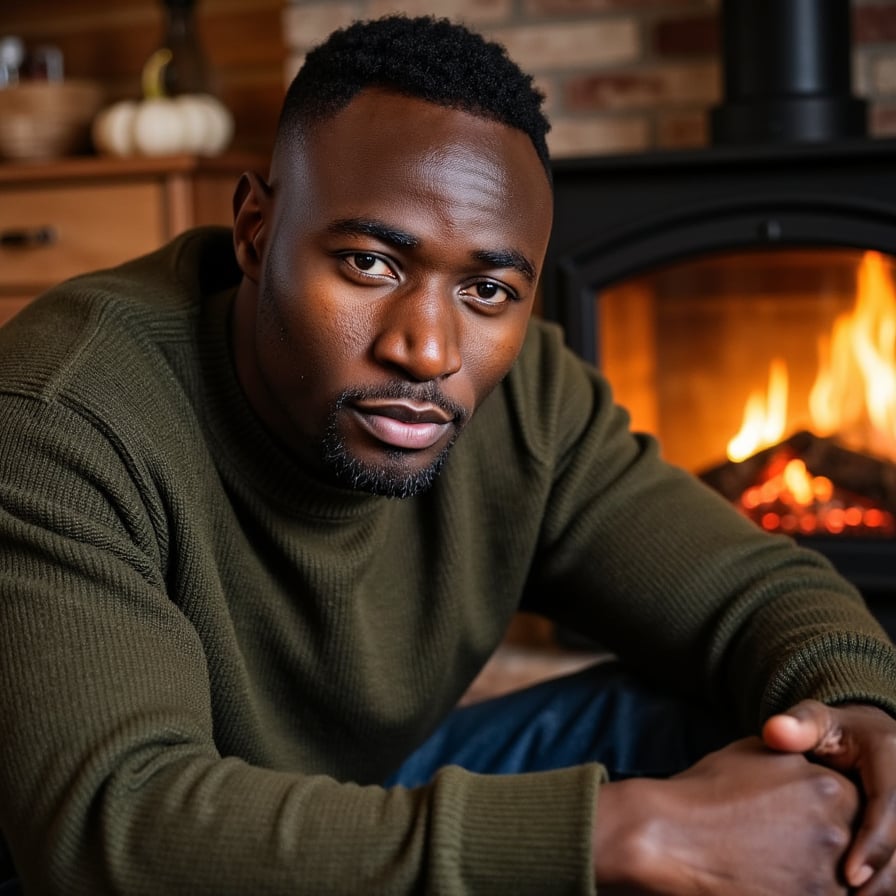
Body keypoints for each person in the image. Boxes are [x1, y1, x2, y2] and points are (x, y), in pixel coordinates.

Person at [1, 13, 895, 895]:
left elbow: (750, 593)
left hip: (362, 798)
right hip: (131, 849)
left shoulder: (526, 397)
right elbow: (109, 827)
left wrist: (862, 713)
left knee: (765, 737)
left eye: (486, 289)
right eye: (369, 265)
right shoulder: (61, 412)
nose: (428, 350)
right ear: (254, 230)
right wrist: (625, 835)